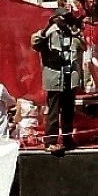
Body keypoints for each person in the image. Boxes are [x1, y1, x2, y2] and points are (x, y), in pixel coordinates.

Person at [31, 8, 83, 153]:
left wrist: (75, 32)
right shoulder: (49, 32)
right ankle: (50, 141)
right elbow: (35, 43)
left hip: (69, 77)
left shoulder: (70, 33)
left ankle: (67, 139)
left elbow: (81, 46)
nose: (65, 21)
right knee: (54, 111)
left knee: (68, 111)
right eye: (62, 18)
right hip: (54, 77)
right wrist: (48, 27)